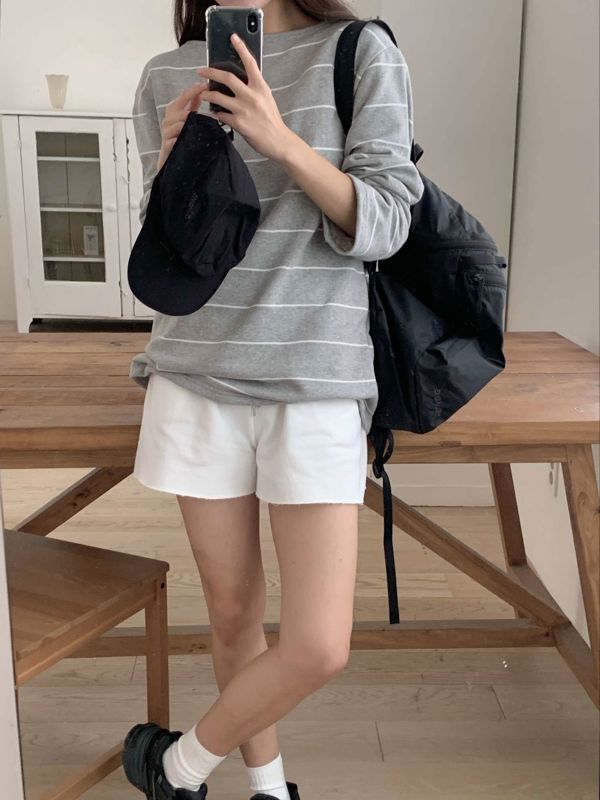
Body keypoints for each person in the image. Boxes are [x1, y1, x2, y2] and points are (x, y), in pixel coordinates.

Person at [123, 1, 424, 799]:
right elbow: (168, 244)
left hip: (314, 379)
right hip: (194, 374)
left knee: (319, 644)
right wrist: (174, 163)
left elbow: (388, 221)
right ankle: (268, 789)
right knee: (232, 614)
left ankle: (177, 766)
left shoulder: (358, 51)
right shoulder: (165, 73)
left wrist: (277, 137)